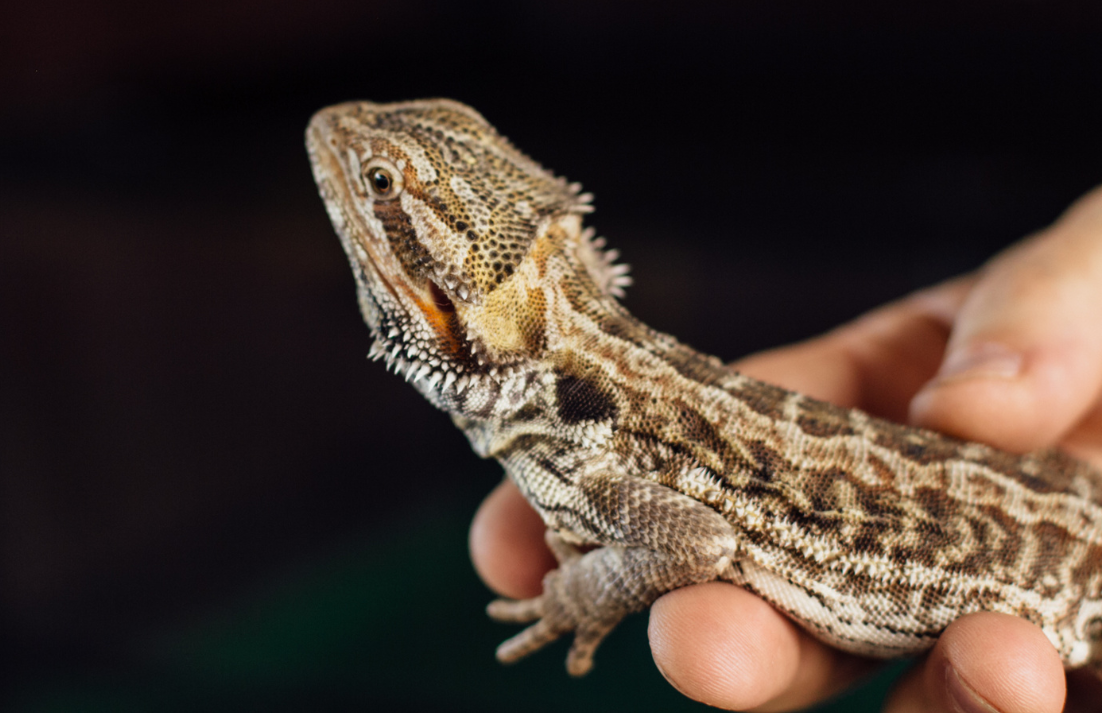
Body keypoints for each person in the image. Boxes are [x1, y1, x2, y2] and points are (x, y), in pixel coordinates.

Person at [470, 186, 1102, 712]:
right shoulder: (576, 409)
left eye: (387, 184)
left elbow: (694, 542)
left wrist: (583, 593)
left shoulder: (581, 417)